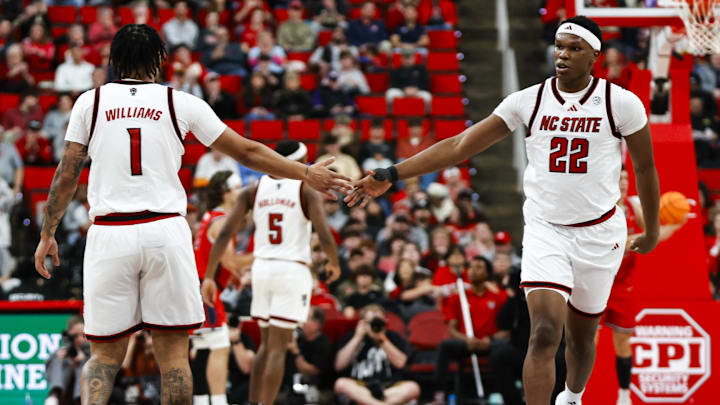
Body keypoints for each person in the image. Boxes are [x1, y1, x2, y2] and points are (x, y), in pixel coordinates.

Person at [346, 16, 661, 405]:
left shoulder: (622, 103)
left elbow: (645, 168)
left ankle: (573, 396)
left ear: (594, 55)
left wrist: (653, 229)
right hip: (547, 229)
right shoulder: (528, 100)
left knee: (581, 338)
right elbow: (461, 145)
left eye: (574, 48)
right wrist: (393, 173)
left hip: (600, 232)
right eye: (559, 46)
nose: (562, 54)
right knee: (544, 331)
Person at [34, 25, 350, 405]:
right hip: (165, 231)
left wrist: (47, 232)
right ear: (160, 60)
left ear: (113, 61)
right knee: (173, 358)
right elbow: (248, 152)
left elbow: (67, 174)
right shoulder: (180, 102)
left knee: (103, 358)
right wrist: (305, 171)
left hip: (109, 233)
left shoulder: (90, 103)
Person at [202, 140, 343, 405]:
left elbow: (223, 236)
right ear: (301, 161)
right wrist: (334, 263)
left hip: (262, 269)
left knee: (265, 347)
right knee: (278, 348)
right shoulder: (306, 190)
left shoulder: (253, 190)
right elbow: (325, 235)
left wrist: (210, 275)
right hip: (291, 270)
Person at [601, 168, 686, 405]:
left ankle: (624, 396)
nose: (625, 182)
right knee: (586, 343)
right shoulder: (599, 208)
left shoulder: (632, 207)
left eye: (627, 178)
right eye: (620, 178)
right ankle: (576, 394)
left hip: (622, 285)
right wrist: (644, 239)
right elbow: (615, 244)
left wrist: (674, 225)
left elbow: (651, 236)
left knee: (623, 341)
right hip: (597, 282)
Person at [191, 171, 255, 405]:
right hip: (205, 290)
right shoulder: (221, 222)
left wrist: (232, 276)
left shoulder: (211, 216)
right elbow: (229, 261)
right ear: (227, 193)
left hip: (200, 287)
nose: (242, 194)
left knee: (204, 349)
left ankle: (200, 401)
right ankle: (218, 402)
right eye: (238, 189)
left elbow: (218, 261)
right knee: (219, 346)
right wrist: (263, 254)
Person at [430, 256, 507, 404]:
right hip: (467, 343)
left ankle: (505, 394)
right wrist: (467, 339)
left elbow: (506, 330)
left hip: (491, 344)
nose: (472, 271)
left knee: (507, 348)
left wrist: (489, 340)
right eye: (471, 267)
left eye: (479, 267)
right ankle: (439, 394)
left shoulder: (499, 298)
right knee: (444, 346)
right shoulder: (457, 297)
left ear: (487, 274)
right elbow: (452, 329)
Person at [333, 304, 420, 405]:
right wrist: (357, 337)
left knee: (413, 387)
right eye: (371, 322)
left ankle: (370, 402)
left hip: (389, 388)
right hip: (360, 386)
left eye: (378, 322)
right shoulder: (351, 336)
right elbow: (339, 366)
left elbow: (401, 364)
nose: (374, 326)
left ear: (385, 322)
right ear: (362, 323)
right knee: (341, 384)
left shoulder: (393, 337)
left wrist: (382, 339)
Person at [281, 307, 333, 405]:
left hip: (315, 388)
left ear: (316, 325)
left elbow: (311, 371)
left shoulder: (323, 343)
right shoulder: (297, 338)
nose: (301, 322)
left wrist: (295, 352)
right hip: (291, 387)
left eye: (305, 318)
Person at [44, 316, 90, 405]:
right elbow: (48, 371)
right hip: (64, 388)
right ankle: (54, 395)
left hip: (86, 391)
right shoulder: (64, 349)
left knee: (86, 364)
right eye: (76, 335)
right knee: (58, 360)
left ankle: (80, 399)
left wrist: (84, 359)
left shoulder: (91, 348)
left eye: (83, 335)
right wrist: (60, 357)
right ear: (69, 334)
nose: (80, 339)